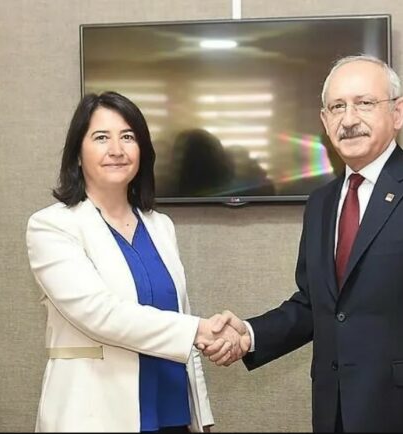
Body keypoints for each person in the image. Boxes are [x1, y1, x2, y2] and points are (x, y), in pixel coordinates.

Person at [204, 55, 403, 432]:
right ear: (325, 121)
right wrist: (249, 334)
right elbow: (316, 304)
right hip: (335, 415)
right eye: (337, 107)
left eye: (365, 103)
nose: (349, 118)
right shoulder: (321, 203)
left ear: (398, 113)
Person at [26, 91, 243, 432]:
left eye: (128, 137)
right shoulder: (52, 226)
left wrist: (202, 416)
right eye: (101, 137)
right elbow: (100, 313)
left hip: (173, 412)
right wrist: (200, 329)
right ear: (78, 154)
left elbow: (180, 313)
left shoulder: (160, 225)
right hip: (97, 415)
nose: (117, 149)